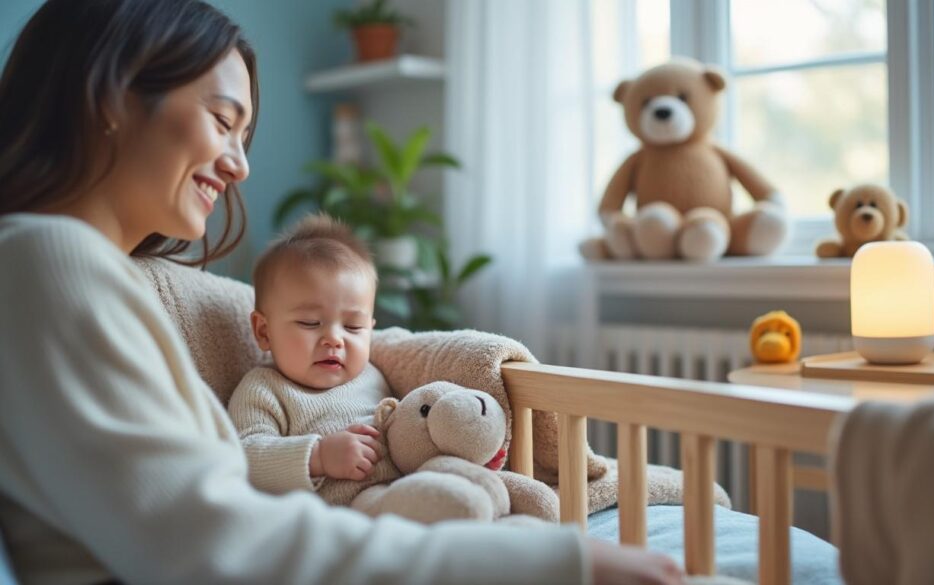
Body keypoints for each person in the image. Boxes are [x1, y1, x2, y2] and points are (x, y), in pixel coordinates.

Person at [0, 1, 685, 584]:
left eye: (245, 136)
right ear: (114, 99)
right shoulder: (45, 259)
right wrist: (556, 564)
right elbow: (215, 542)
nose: (239, 165)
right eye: (221, 119)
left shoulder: (76, 270)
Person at [228, 214, 396, 504]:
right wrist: (318, 456)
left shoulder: (373, 375)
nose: (334, 339)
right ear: (264, 331)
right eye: (309, 322)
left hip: (396, 489)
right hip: (336, 514)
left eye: (353, 327)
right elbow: (245, 456)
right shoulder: (264, 389)